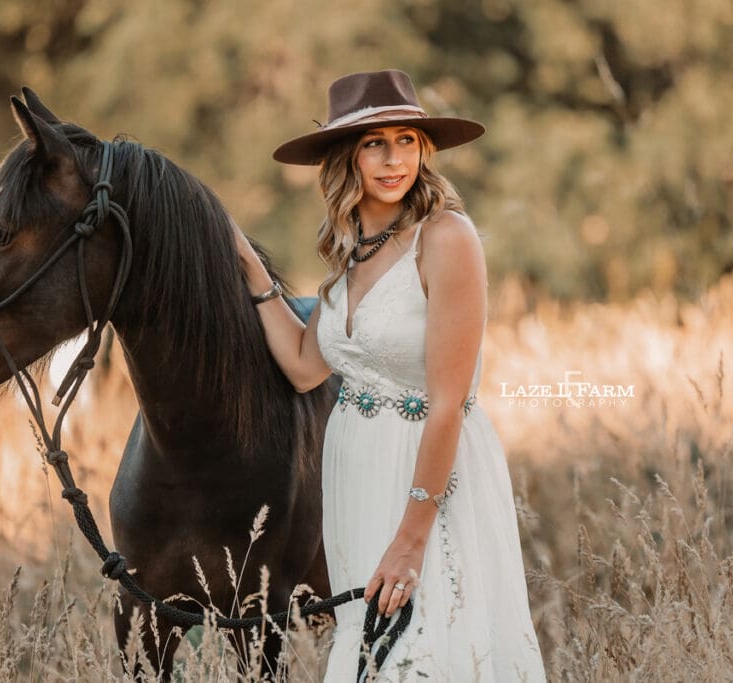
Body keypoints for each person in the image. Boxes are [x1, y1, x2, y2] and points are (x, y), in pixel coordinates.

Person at [231, 70, 546, 681]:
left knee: (429, 645)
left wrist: (411, 538)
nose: (394, 158)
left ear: (423, 150)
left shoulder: (446, 238)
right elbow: (303, 368)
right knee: (373, 647)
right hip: (357, 479)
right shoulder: (350, 252)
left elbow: (448, 403)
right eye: (375, 143)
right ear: (346, 158)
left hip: (427, 482)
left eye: (406, 140)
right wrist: (250, 267)